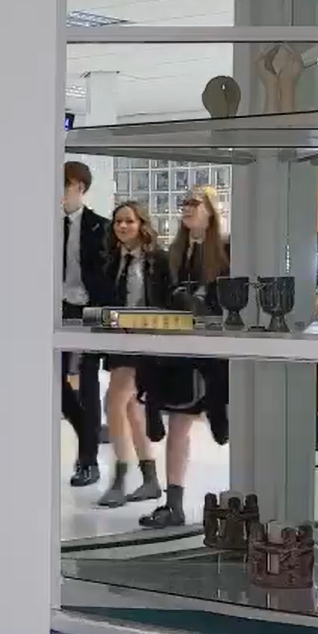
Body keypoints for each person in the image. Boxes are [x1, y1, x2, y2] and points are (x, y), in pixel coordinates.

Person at [141, 186, 231, 529]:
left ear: (210, 209)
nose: (187, 208)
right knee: (178, 425)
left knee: (227, 422)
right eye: (185, 203)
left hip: (216, 354)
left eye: (195, 202)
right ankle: (173, 504)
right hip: (180, 353)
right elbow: (162, 300)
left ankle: (244, 503)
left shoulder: (226, 251)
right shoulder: (171, 255)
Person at [95, 201, 169, 508]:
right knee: (129, 410)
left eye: (129, 221)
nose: (122, 227)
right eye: (117, 223)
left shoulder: (158, 260)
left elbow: (165, 301)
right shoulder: (112, 260)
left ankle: (120, 477)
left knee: (114, 400)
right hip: (118, 341)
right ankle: (149, 478)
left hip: (146, 341)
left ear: (142, 224)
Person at [61, 161, 109, 488]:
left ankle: (88, 460)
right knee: (56, 383)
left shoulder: (100, 227)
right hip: (57, 309)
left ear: (79, 186)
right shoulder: (47, 225)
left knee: (89, 383)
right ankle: (86, 431)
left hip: (90, 311)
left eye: (64, 185)